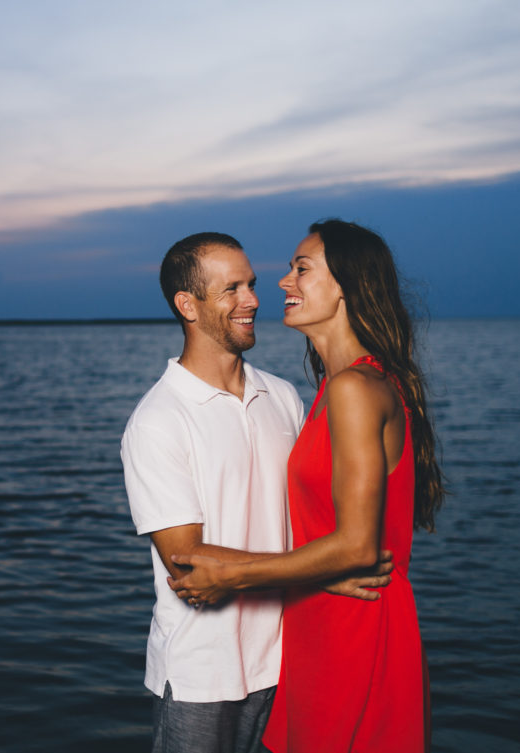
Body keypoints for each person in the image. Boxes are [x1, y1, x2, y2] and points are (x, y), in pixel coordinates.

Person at [169, 220, 446, 752]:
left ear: (344, 284)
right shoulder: (332, 390)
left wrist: (229, 575)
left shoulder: (355, 390)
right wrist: (305, 583)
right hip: (322, 620)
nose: (282, 282)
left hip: (354, 630)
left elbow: (358, 545)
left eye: (301, 268)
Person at [122, 232, 392, 753]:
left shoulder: (284, 396)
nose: (253, 300)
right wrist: (323, 571)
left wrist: (324, 571)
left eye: (250, 284)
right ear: (188, 305)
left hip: (290, 658)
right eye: (232, 290)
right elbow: (188, 564)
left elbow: (311, 522)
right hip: (203, 673)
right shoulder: (158, 421)